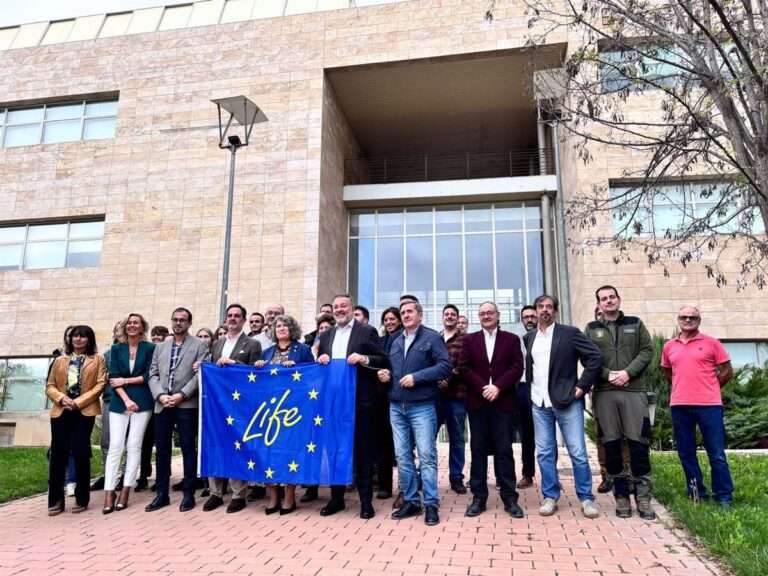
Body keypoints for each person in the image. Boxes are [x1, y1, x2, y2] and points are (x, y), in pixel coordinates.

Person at [523, 294, 603, 519]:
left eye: (549, 307)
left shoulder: (569, 333)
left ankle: (586, 498)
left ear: (555, 311)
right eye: (541, 307)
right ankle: (550, 496)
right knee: (545, 453)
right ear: (536, 311)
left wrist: (582, 387)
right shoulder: (529, 337)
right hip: (539, 402)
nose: (545, 310)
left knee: (577, 452)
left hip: (566, 401)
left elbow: (595, 357)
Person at [377, 300, 452, 526]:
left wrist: (417, 377)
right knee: (402, 457)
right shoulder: (396, 340)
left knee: (427, 456)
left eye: (410, 312)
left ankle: (431, 503)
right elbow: (392, 368)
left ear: (419, 315)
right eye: (403, 312)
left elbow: (445, 366)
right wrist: (385, 375)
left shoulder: (431, 338)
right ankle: (411, 501)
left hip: (422, 406)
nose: (406, 315)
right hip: (396, 406)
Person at [316, 295, 387, 519]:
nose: (339, 310)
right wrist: (321, 359)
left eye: (343, 306)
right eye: (335, 306)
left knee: (363, 452)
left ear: (352, 308)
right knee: (335, 451)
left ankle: (366, 502)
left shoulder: (367, 332)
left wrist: (364, 358)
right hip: (333, 404)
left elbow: (382, 360)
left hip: (360, 403)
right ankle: (336, 499)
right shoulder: (326, 335)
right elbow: (320, 368)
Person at [662, 306, 734, 506]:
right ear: (678, 319)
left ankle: (724, 496)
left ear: (699, 321)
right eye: (684, 317)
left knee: (717, 453)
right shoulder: (669, 346)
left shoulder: (712, 343)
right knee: (686, 452)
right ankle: (697, 493)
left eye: (692, 317)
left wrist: (712, 386)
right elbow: (668, 372)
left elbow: (727, 370)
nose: (688, 320)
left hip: (709, 405)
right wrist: (681, 387)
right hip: (679, 405)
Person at [460, 302, 525, 518]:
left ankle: (509, 498)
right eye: (482, 313)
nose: (486, 316)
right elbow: (464, 368)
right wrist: (482, 388)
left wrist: (498, 387)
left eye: (490, 312)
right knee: (477, 450)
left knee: (504, 450)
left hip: (503, 402)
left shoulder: (512, 339)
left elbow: (517, 368)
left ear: (498, 315)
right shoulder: (469, 340)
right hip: (478, 403)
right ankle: (479, 498)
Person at [146, 307, 210, 512]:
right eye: (175, 319)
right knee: (162, 450)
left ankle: (188, 493)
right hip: (162, 403)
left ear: (189, 323)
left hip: (186, 404)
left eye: (183, 320)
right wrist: (160, 395)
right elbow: (153, 373)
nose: (178, 323)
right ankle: (161, 494)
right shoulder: (161, 347)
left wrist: (182, 394)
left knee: (187, 448)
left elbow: (200, 374)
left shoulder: (200, 345)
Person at [203, 304, 263, 513]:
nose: (233, 319)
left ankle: (238, 494)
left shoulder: (253, 344)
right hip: (217, 404)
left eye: (237, 316)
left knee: (238, 445)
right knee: (216, 444)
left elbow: (256, 375)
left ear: (244, 320)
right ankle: (215, 493)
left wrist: (234, 363)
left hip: (240, 404)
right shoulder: (217, 343)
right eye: (230, 315)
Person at [256, 315, 314, 514]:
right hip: (270, 411)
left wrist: (297, 368)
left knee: (291, 451)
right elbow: (259, 382)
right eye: (278, 326)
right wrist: (259, 368)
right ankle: (273, 497)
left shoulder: (303, 350)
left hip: (293, 410)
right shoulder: (266, 352)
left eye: (285, 325)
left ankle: (289, 497)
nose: (281, 328)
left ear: (292, 329)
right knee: (269, 451)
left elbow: (312, 376)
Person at [45, 325, 106, 515]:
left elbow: (100, 384)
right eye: (75, 336)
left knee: (80, 452)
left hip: (84, 411)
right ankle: (55, 500)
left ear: (89, 340)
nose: (78, 339)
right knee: (58, 454)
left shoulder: (97, 360)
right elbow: (50, 385)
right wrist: (62, 398)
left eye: (82, 336)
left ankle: (81, 498)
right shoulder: (60, 360)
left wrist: (78, 402)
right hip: (61, 410)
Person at [102, 313, 156, 513]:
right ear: (125, 327)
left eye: (136, 323)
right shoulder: (116, 349)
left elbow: (149, 374)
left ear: (142, 328)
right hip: (119, 401)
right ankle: (109, 491)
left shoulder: (151, 348)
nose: (132, 326)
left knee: (134, 445)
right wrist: (126, 399)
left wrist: (126, 381)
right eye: (129, 323)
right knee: (116, 446)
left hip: (143, 400)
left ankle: (126, 489)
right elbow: (113, 376)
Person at [437, 304, 468, 495]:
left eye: (453, 314)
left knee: (457, 439)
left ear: (458, 318)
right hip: (434, 398)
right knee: (427, 438)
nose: (449, 316)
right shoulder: (435, 339)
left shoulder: (466, 340)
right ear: (442, 317)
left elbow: (464, 365)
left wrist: (447, 379)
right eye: (446, 314)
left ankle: (456, 478)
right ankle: (425, 476)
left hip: (457, 396)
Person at [376, 307, 402, 502]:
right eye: (386, 319)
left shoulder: (404, 337)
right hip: (382, 397)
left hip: (402, 395)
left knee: (403, 446)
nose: (389, 322)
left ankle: (405, 488)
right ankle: (385, 486)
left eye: (392, 319)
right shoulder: (381, 340)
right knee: (384, 443)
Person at [515, 305, 538, 489]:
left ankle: (551, 475)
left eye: (532, 316)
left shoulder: (550, 337)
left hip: (545, 390)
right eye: (526, 317)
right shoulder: (522, 339)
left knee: (548, 437)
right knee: (527, 434)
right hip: (524, 390)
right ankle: (527, 474)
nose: (529, 320)